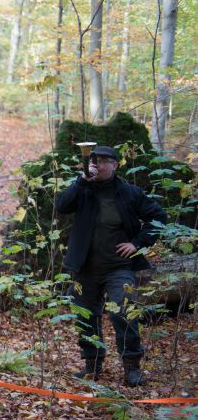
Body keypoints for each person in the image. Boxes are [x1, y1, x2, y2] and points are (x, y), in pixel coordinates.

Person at [55, 145, 167, 386]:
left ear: (115, 165)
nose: (99, 165)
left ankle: (131, 367)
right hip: (85, 268)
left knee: (123, 313)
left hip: (119, 267)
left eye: (105, 161)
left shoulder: (129, 192)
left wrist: (138, 243)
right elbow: (61, 206)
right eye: (95, 160)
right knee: (87, 317)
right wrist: (81, 181)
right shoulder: (83, 189)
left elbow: (158, 218)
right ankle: (92, 366)